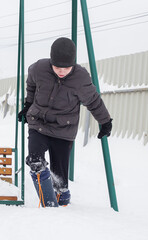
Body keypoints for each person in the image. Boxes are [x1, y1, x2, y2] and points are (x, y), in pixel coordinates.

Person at [18, 37, 112, 207]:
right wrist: (27, 105)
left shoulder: (81, 78)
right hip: (39, 124)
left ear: (73, 64)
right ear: (51, 61)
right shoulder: (39, 68)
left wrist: (105, 121)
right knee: (35, 161)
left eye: (66, 68)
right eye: (57, 67)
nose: (61, 71)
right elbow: (31, 85)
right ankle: (49, 205)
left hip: (64, 129)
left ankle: (62, 198)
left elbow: (93, 101)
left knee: (59, 178)